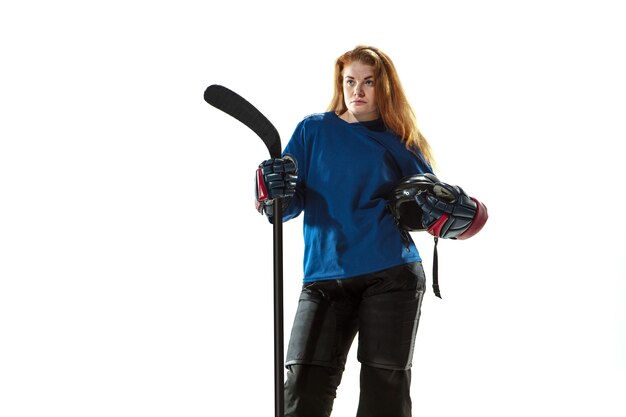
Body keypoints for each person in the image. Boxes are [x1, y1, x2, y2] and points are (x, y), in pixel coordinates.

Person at [254, 45, 487, 417]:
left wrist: (454, 213)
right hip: (324, 278)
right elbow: (286, 206)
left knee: (383, 395)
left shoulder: (400, 141)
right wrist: (271, 194)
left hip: (390, 275)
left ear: (384, 87)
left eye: (368, 82)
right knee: (302, 388)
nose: (357, 90)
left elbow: (428, 207)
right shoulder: (313, 130)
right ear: (340, 84)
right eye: (350, 81)